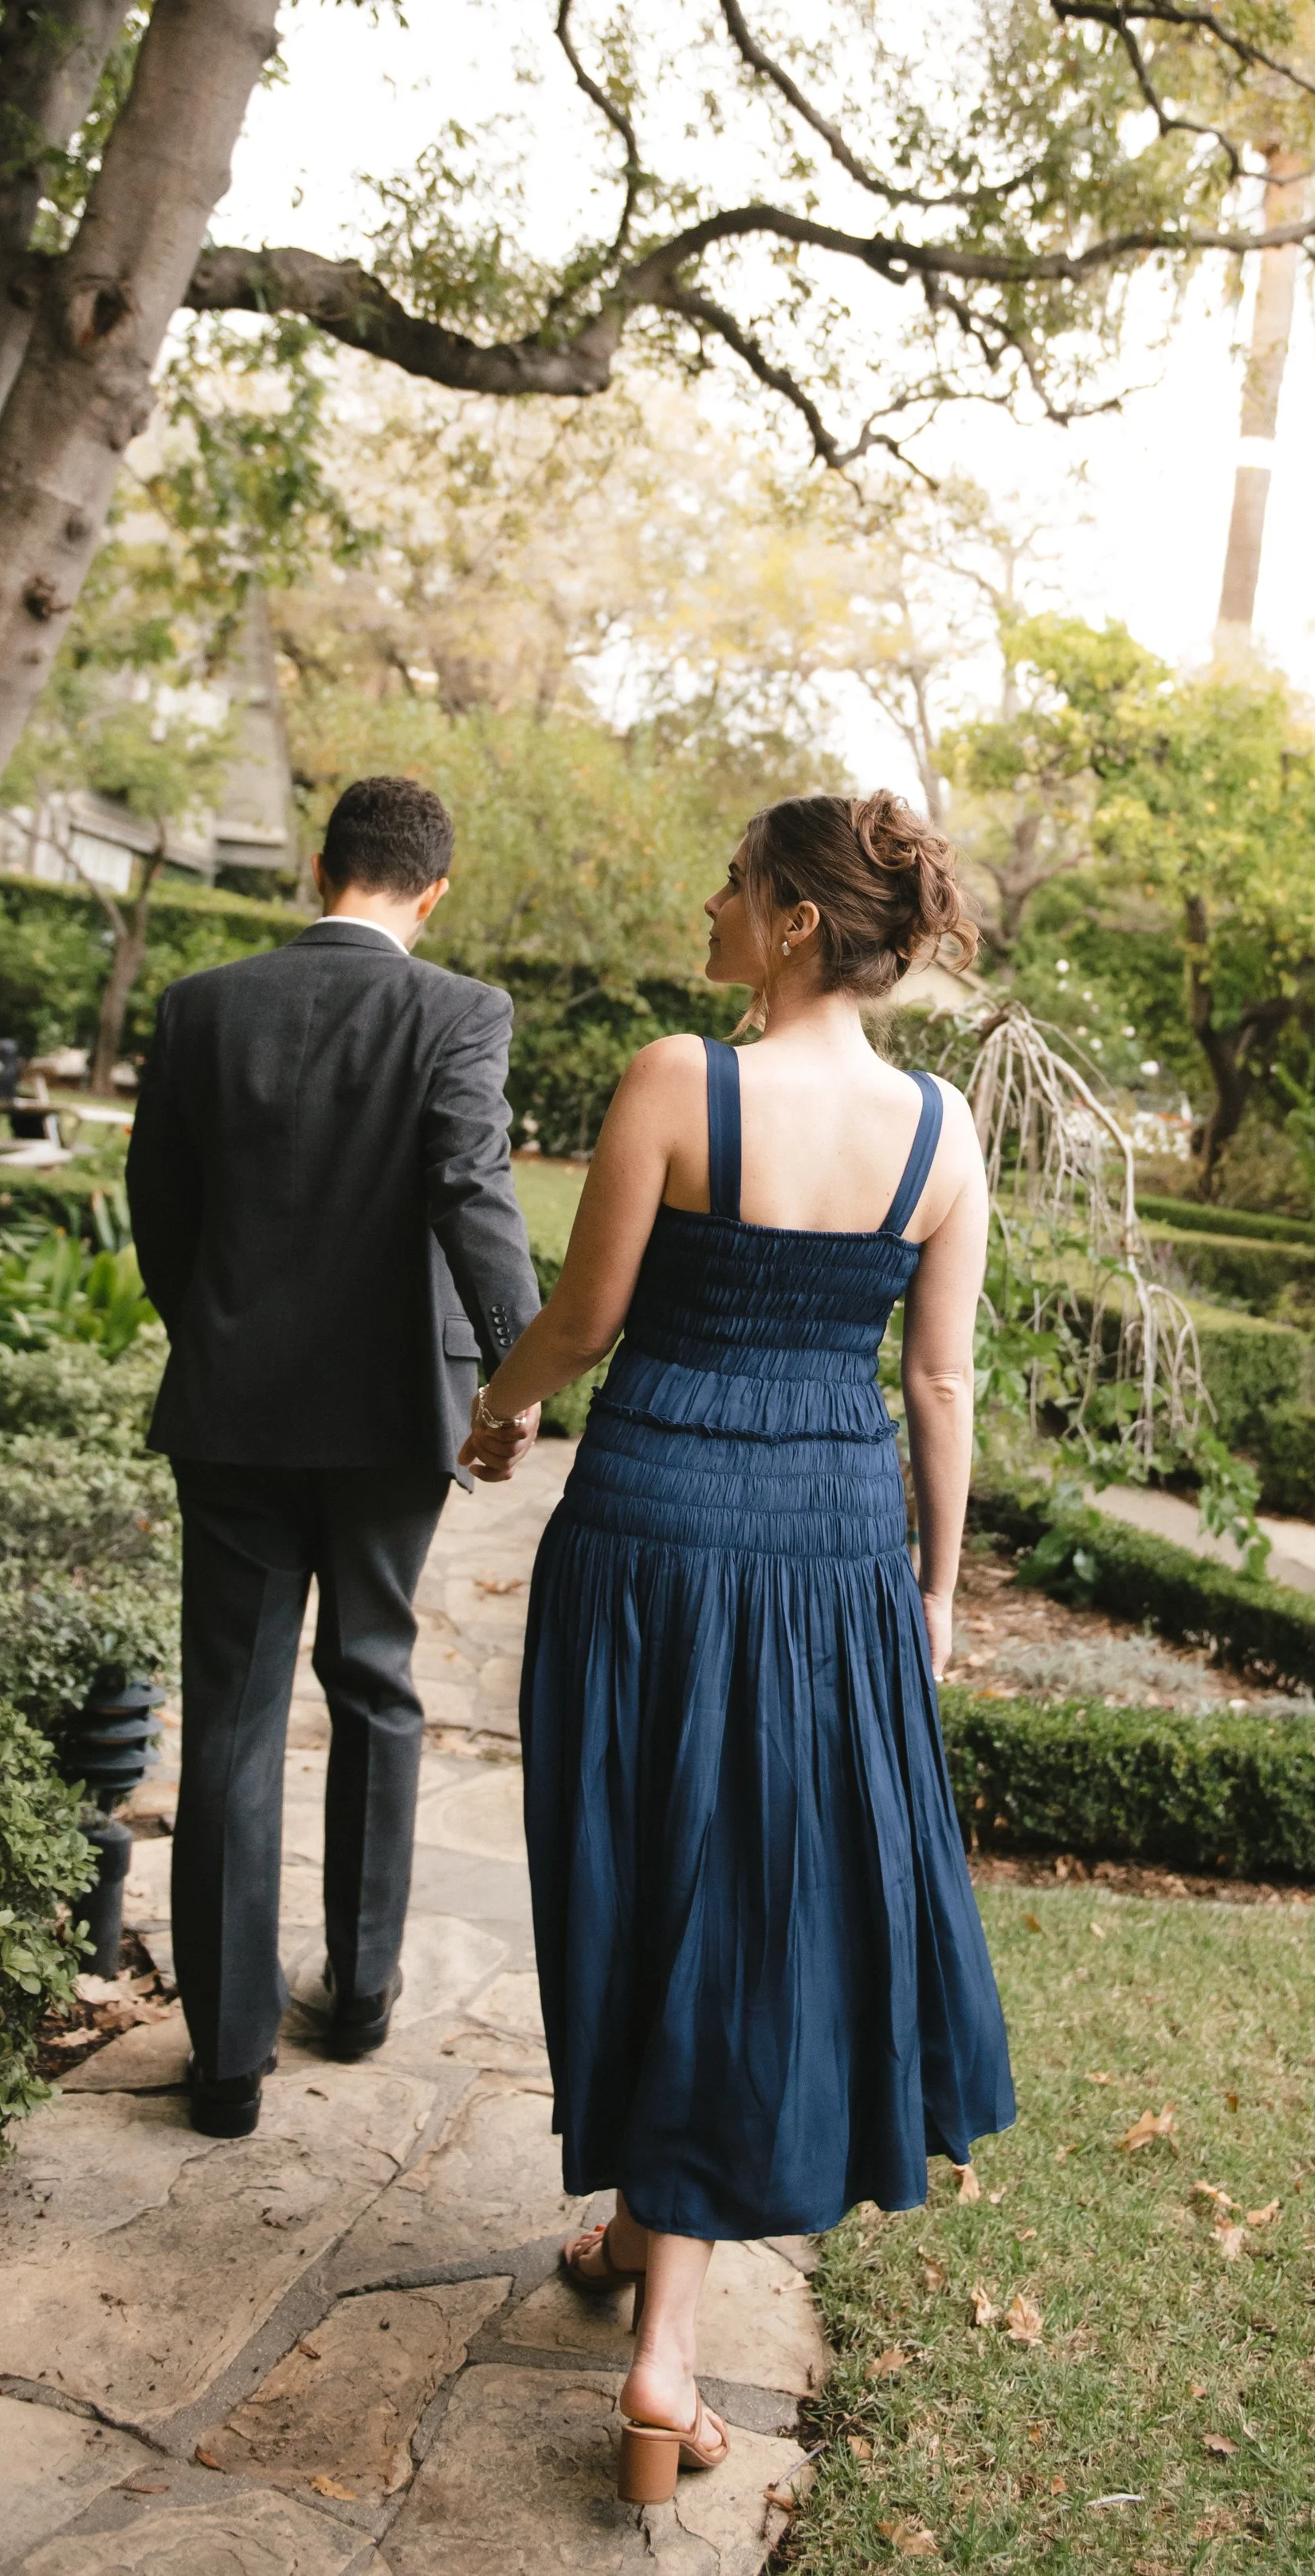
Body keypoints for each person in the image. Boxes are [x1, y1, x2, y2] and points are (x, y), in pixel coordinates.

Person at [461, 789, 1015, 2504]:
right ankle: (647, 2229)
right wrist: (930, 1595)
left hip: (646, 1526)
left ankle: (662, 2351)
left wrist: (496, 1414)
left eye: (733, 884)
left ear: (788, 922)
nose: (706, 902)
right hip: (832, 1549)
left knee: (636, 1866)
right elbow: (936, 1387)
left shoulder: (671, 1081)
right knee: (746, 1889)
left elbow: (585, 1316)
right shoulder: (938, 1133)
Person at [128, 774, 540, 2139]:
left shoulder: (202, 1006)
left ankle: (227, 2063)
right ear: (434, 890)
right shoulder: (459, 1011)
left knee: (233, 1720)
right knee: (373, 1678)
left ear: (321, 867)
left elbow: (160, 1213)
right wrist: (517, 1369)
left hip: (233, 1419)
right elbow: (470, 1188)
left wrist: (220, 1335)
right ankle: (360, 1993)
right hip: (388, 1421)